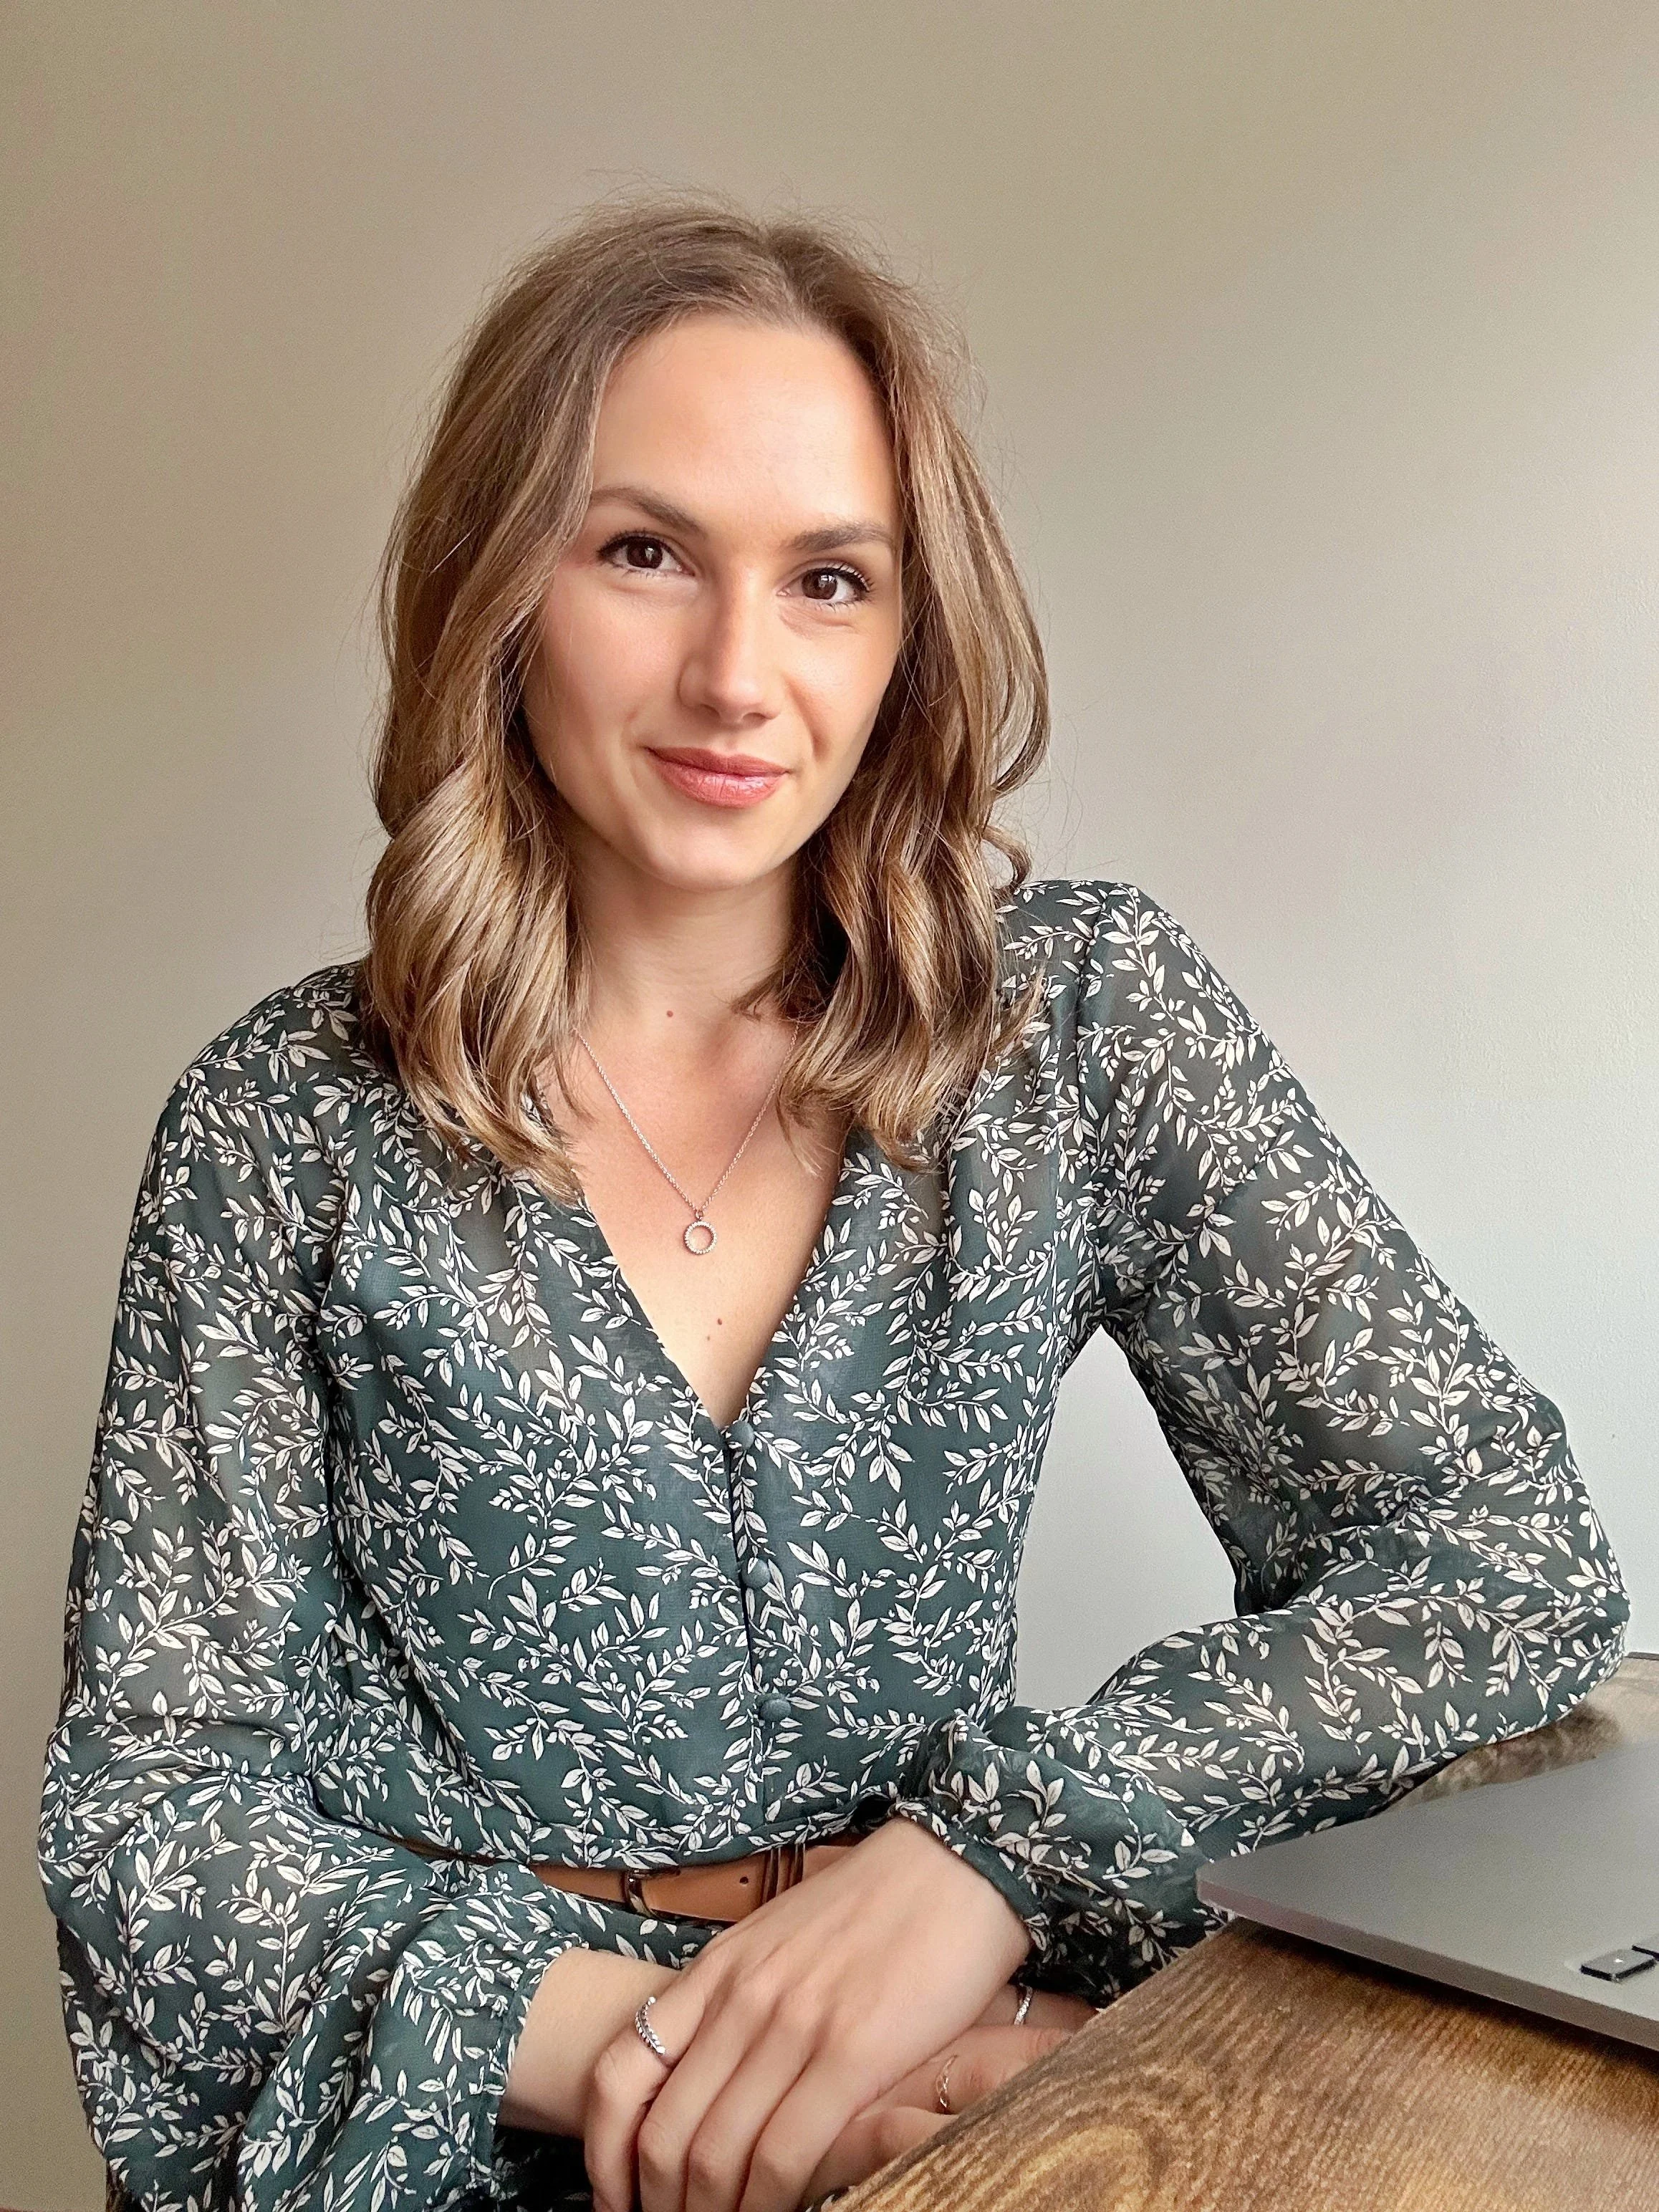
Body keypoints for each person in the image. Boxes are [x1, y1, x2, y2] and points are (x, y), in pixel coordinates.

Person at [40, 192, 1627, 2212]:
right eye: (642, 554)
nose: (736, 676)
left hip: (975, 2063)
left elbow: (1496, 1547)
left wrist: (983, 1866)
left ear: (911, 633)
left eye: (828, 579)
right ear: (495, 586)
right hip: (459, 2114)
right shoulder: (285, 1119)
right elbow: (153, 1817)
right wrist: (672, 2064)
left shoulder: (1074, 1024)